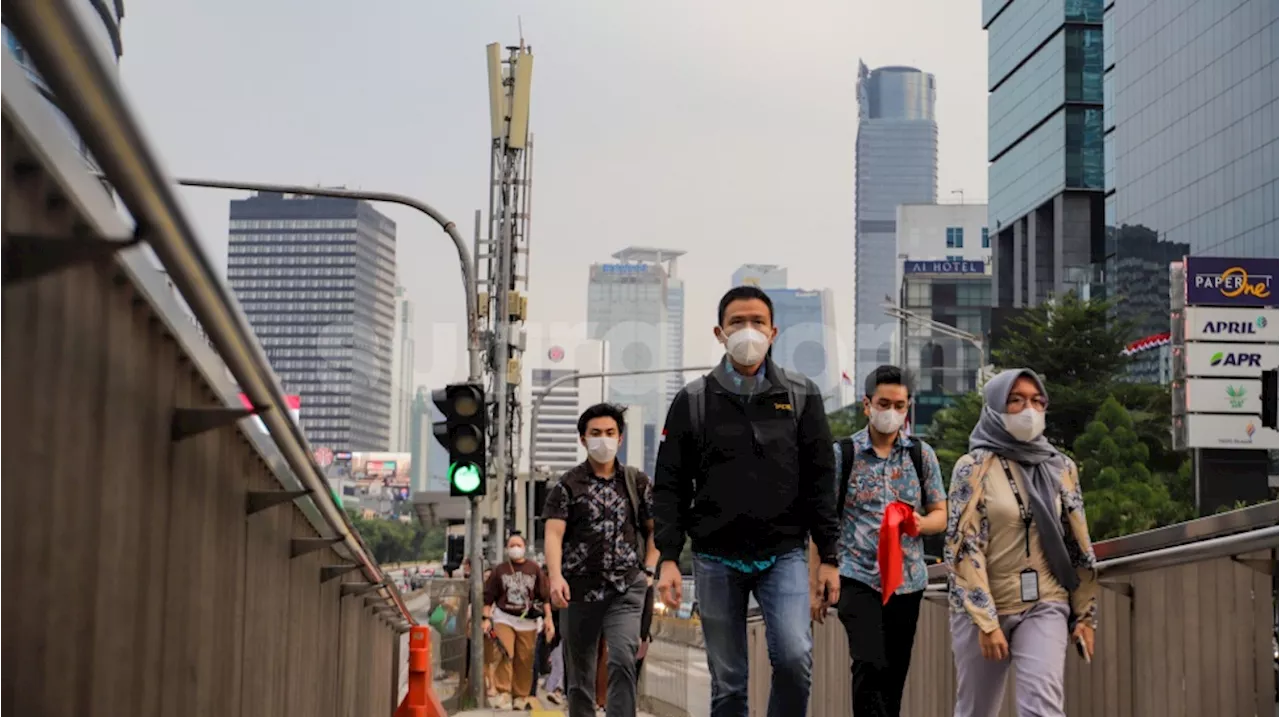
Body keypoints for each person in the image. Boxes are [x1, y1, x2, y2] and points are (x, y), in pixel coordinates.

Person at [654, 285, 839, 717]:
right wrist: (666, 557)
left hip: (785, 554)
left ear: (774, 331)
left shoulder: (801, 395)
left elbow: (821, 481)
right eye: (737, 322)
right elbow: (670, 485)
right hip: (715, 557)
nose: (748, 330)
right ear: (719, 333)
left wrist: (828, 555)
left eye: (757, 321)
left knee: (794, 659)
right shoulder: (693, 401)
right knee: (730, 683)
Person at [946, 369, 1099, 717]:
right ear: (995, 408)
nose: (1028, 409)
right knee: (976, 711)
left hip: (1045, 601)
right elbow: (963, 546)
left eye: (1036, 400)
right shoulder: (972, 468)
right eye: (1015, 400)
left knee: (1042, 709)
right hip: (985, 607)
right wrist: (986, 622)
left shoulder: (1061, 466)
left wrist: (1085, 616)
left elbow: (1077, 543)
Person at [812, 365, 946, 717]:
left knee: (894, 672)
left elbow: (940, 513)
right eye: (883, 403)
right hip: (857, 577)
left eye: (899, 406)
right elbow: (822, 521)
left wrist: (920, 523)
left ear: (908, 407)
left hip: (908, 580)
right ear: (867, 405)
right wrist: (817, 581)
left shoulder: (922, 455)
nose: (892, 413)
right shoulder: (843, 454)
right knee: (869, 663)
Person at [543, 403, 659, 717]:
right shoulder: (566, 486)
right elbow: (553, 534)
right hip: (578, 592)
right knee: (580, 676)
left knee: (623, 659)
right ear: (583, 439)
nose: (603, 440)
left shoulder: (637, 482)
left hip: (625, 589)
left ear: (620, 438)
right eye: (595, 433)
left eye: (610, 433)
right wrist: (555, 577)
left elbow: (655, 531)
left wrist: (648, 571)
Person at [482, 534, 553, 710]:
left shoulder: (534, 569)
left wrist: (549, 619)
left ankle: (520, 695)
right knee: (506, 652)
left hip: (528, 621)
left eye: (518, 544)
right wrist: (486, 619)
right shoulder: (500, 570)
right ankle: (504, 691)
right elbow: (488, 597)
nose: (515, 548)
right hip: (504, 617)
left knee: (524, 659)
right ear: (507, 548)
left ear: (524, 547)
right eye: (511, 545)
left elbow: (545, 597)